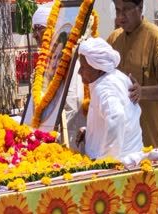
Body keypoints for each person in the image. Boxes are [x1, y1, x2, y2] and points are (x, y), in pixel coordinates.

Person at [107, 0, 158, 148]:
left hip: (152, 140)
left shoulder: (156, 38)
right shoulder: (113, 40)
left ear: (140, 7)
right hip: (122, 143)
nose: (121, 17)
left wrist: (142, 92)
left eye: (126, 10)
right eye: (117, 11)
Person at [77, 37, 142, 160]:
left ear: (98, 68)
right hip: (132, 156)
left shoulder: (104, 87)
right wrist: (89, 132)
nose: (79, 71)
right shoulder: (116, 77)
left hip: (121, 164)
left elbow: (116, 117)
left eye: (83, 67)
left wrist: (106, 160)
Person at [32, 6, 86, 152]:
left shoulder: (68, 60)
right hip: (50, 136)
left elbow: (73, 103)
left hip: (69, 134)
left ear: (52, 29)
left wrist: (56, 134)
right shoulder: (44, 63)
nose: (35, 34)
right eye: (34, 30)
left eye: (39, 28)